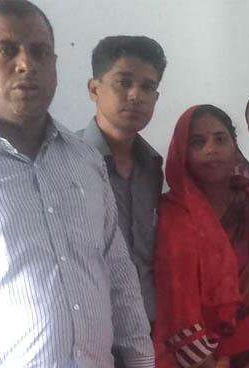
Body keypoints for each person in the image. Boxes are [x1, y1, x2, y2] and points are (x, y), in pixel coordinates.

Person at [0, 0, 152, 368]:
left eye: (40, 52)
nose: (26, 64)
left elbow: (120, 278)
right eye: (6, 50)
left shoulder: (85, 160)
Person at [153, 105, 249, 368]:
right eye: (198, 142)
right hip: (198, 359)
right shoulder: (174, 214)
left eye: (220, 139)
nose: (211, 149)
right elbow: (175, 300)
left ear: (234, 148)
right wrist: (210, 363)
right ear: (182, 153)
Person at [77, 35, 167, 330]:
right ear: (94, 89)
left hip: (147, 323)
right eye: (123, 82)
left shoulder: (152, 166)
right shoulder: (68, 161)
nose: (135, 96)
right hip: (91, 326)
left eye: (148, 87)